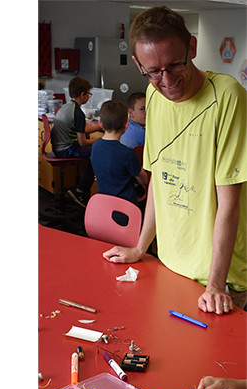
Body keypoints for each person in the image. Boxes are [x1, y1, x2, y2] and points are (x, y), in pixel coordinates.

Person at [102, 6, 247, 313]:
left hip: (218, 279)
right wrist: (140, 247)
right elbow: (158, 177)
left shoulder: (228, 96)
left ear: (191, 48)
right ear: (139, 64)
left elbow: (229, 201)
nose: (166, 80)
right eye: (153, 71)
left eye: (174, 65)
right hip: (169, 262)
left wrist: (217, 286)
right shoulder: (153, 97)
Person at [50, 77, 102, 208]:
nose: (89, 97)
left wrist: (99, 127)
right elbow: (83, 142)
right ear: (83, 94)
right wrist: (98, 140)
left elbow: (80, 130)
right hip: (66, 150)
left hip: (60, 147)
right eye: (89, 94)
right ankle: (80, 191)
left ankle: (80, 189)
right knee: (97, 153)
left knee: (95, 151)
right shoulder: (78, 112)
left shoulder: (67, 107)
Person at [91, 100, 148, 207]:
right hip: (124, 206)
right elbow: (143, 179)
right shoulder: (127, 153)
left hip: (103, 204)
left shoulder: (95, 146)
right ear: (126, 124)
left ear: (100, 123)